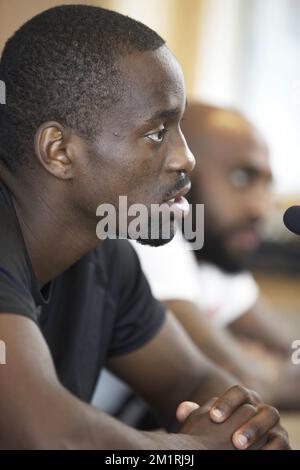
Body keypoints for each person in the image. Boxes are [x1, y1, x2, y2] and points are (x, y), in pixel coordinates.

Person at [0, 5, 289, 450]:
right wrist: (197, 451)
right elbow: (49, 435)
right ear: (59, 151)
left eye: (180, 129)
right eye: (157, 132)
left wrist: (245, 428)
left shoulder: (106, 255)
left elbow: (192, 377)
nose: (185, 158)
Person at [129, 103, 300, 410]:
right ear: (177, 164)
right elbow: (241, 380)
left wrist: (257, 368)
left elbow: (291, 349)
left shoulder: (214, 253)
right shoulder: (149, 235)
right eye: (241, 177)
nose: (260, 208)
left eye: (267, 185)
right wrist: (248, 364)